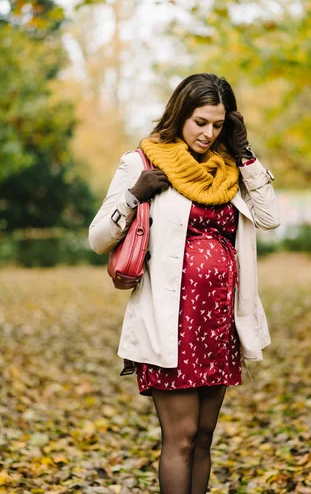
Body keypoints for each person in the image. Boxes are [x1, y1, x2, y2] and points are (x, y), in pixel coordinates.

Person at [88, 73, 280, 494]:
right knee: (183, 437)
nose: (208, 134)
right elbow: (98, 238)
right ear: (180, 115)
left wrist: (245, 151)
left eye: (217, 124)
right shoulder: (142, 163)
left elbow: (270, 217)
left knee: (206, 437)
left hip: (219, 322)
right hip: (171, 321)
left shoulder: (230, 168)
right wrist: (133, 196)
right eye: (200, 123)